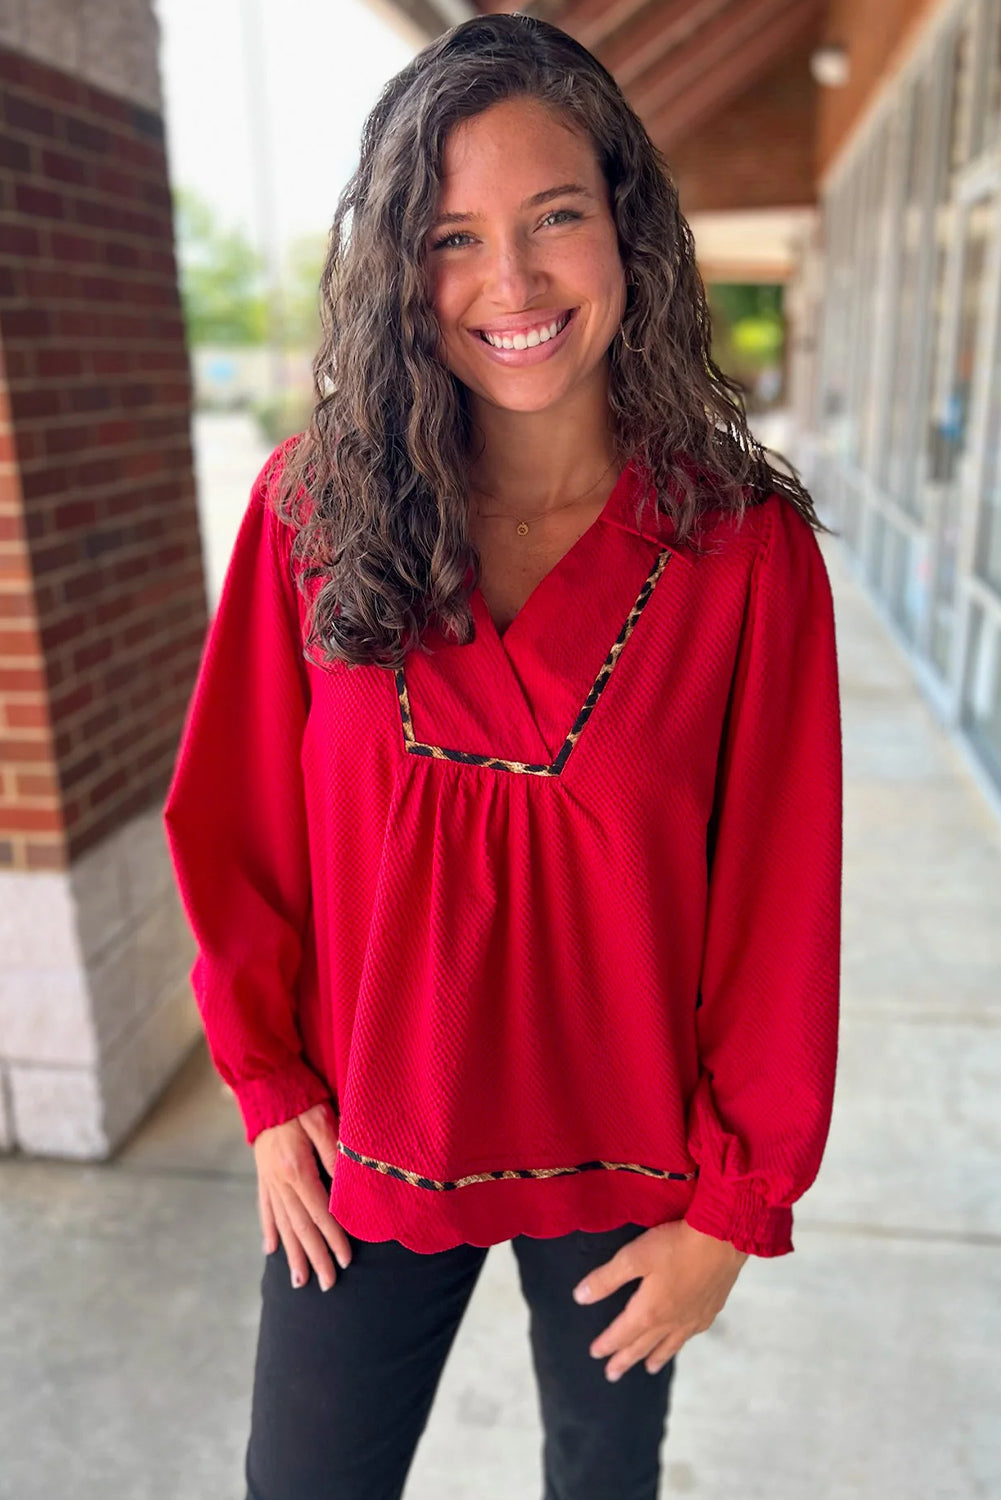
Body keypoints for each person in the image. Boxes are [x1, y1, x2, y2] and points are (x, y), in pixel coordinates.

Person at [162, 14, 843, 1500]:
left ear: (627, 230)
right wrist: (270, 1087)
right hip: (368, 1157)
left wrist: (733, 1209)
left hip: (631, 1176)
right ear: (400, 271)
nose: (512, 284)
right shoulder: (307, 514)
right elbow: (236, 827)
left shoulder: (744, 553)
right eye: (452, 238)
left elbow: (778, 906)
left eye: (554, 220)